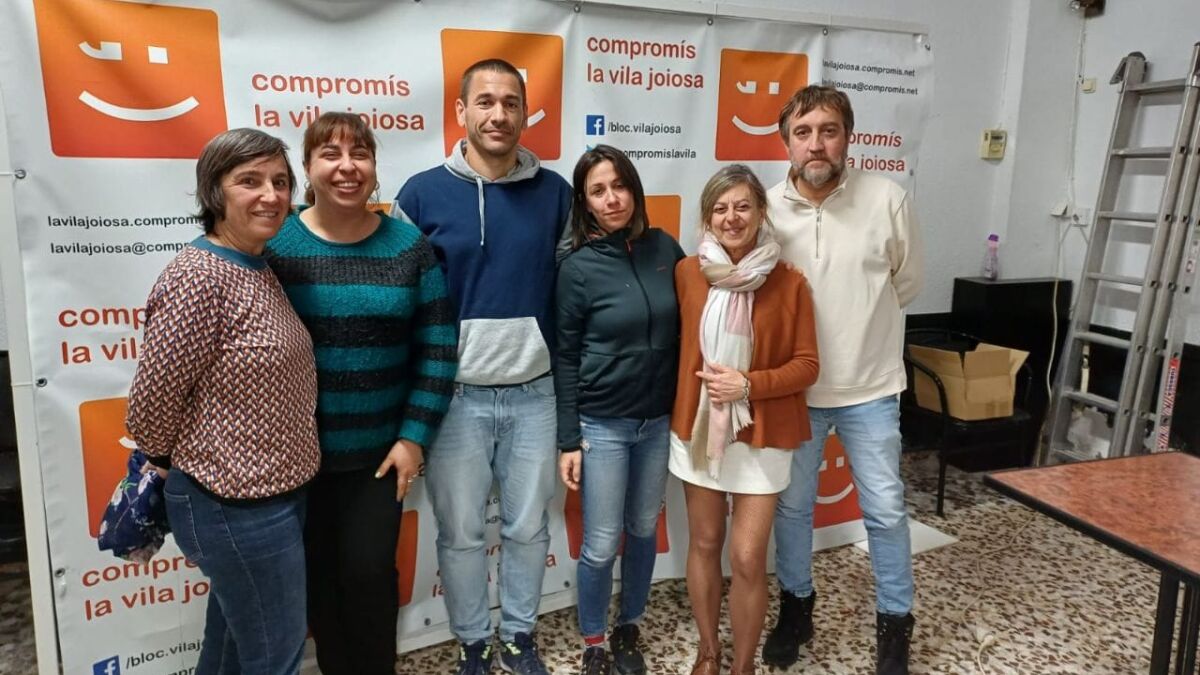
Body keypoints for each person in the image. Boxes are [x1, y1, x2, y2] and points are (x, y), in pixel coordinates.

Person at [392, 58, 571, 675]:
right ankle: (472, 639)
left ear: (524, 114)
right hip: (455, 399)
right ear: (461, 111)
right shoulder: (420, 194)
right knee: (461, 534)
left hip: (535, 394)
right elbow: (403, 302)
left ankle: (518, 635)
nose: (499, 114)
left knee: (527, 529)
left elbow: (572, 292)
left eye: (511, 103)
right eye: (486, 102)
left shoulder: (556, 193)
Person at [263, 112, 457, 675]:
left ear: (374, 166)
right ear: (307, 168)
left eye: (360, 154)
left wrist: (414, 438)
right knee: (318, 582)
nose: (347, 167)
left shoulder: (408, 247)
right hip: (295, 459)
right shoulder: (275, 245)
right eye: (330, 154)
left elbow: (438, 349)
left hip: (378, 458)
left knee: (370, 579)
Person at [126, 128, 318, 675]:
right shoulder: (198, 277)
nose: (271, 195)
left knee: (233, 646)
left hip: (273, 494)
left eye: (280, 181)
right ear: (215, 191)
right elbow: (150, 406)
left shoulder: (257, 264)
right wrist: (171, 458)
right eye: (249, 181)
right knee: (274, 654)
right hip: (232, 502)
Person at [764, 85, 924, 675]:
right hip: (795, 393)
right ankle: (796, 608)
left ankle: (895, 625)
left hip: (871, 389)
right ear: (787, 142)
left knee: (885, 511)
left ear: (848, 137)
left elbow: (907, 282)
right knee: (792, 510)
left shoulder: (888, 199)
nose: (816, 144)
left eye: (828, 131)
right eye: (803, 133)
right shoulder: (765, 208)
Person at [670, 164, 820, 675]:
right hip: (698, 430)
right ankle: (708, 652)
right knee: (704, 543)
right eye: (720, 208)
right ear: (707, 218)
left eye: (742, 206)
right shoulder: (687, 273)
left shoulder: (789, 282)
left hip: (764, 433)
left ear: (760, 213)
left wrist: (748, 384)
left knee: (749, 557)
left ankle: (743, 666)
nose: (731, 217)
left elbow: (808, 366)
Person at [555, 145, 685, 675]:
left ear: (634, 189)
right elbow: (565, 356)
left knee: (644, 527)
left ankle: (629, 623)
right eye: (598, 191)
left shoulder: (665, 247)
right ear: (584, 203)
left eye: (619, 186)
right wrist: (569, 438)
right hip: (603, 425)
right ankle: (594, 641)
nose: (612, 199)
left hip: (657, 422)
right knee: (602, 540)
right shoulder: (577, 268)